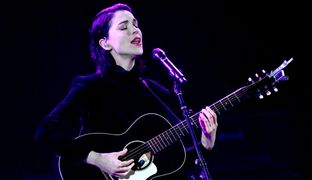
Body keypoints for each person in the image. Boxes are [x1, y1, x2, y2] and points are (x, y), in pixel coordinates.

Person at [35, 3, 218, 180]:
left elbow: (177, 166)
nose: (135, 30)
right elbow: (47, 131)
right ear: (105, 43)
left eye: (136, 24)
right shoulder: (90, 86)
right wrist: (99, 159)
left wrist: (205, 145)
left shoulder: (156, 92)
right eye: (124, 27)